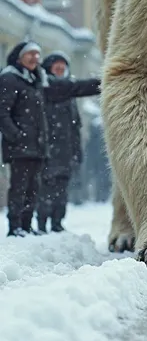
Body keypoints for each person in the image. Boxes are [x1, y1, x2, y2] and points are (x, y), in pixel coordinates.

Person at [0, 41, 101, 237]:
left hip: (38, 148)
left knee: (32, 190)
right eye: (30, 54)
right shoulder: (11, 78)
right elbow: (2, 113)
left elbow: (73, 87)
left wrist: (105, 82)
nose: (34, 58)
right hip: (21, 147)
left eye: (37, 55)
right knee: (19, 188)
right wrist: (17, 136)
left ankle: (26, 226)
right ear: (19, 57)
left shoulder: (39, 81)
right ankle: (15, 228)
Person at [36, 52, 101, 233]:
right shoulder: (46, 87)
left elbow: (75, 127)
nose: (60, 70)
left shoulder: (68, 95)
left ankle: (57, 222)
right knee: (45, 188)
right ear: (49, 69)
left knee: (61, 189)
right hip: (48, 149)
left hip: (65, 150)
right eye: (56, 67)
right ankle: (42, 223)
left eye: (63, 67)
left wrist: (76, 152)